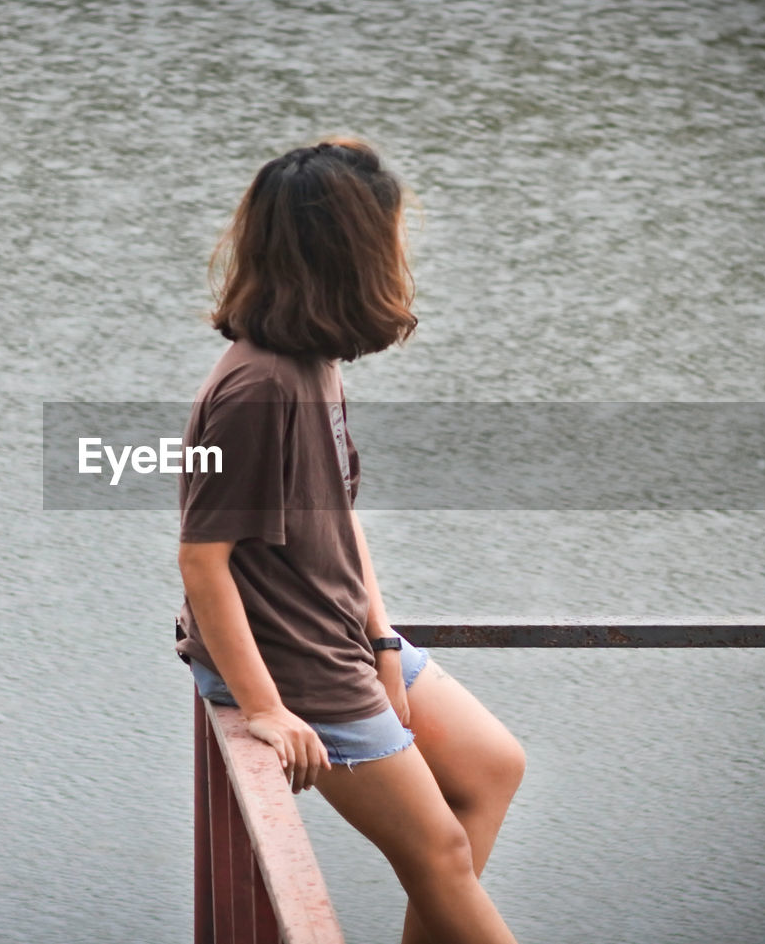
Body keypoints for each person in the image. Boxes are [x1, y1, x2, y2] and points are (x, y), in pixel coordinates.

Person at [174, 138, 526, 944]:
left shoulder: (313, 359)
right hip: (294, 661)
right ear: (347, 256)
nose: (400, 258)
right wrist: (265, 707)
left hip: (339, 634)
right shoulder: (258, 387)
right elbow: (202, 559)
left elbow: (342, 517)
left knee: (490, 767)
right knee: (437, 847)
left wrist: (383, 643)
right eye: (389, 241)